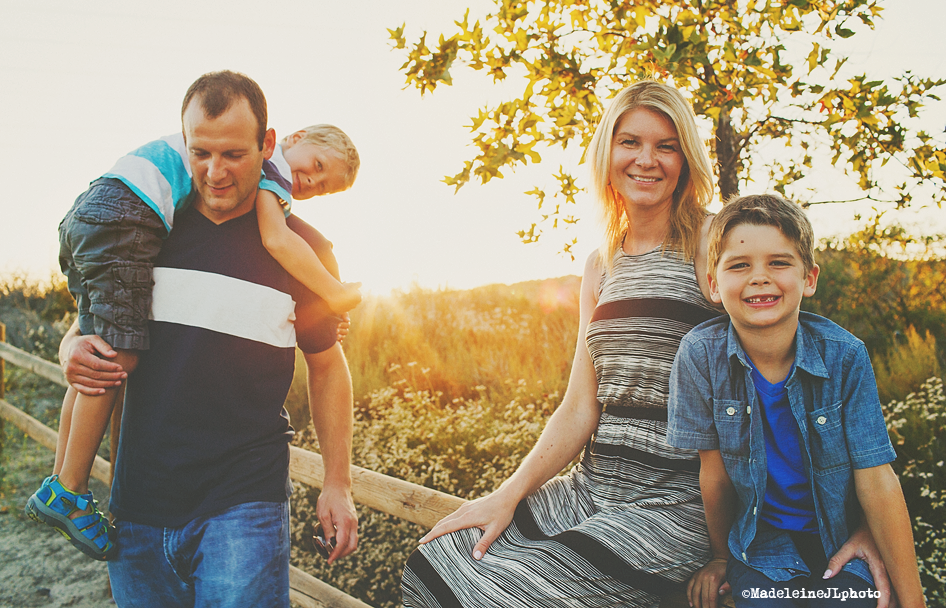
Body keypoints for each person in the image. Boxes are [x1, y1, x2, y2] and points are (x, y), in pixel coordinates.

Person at [401, 80, 892, 608]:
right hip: (593, 488)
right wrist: (506, 495)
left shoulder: (714, 242)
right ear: (607, 152)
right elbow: (579, 406)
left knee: (517, 594)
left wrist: (856, 523)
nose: (646, 160)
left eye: (666, 145)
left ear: (686, 158)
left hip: (681, 501)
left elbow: (800, 375)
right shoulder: (599, 265)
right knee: (435, 563)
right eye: (630, 142)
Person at [55, 70, 359, 606]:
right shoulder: (148, 226)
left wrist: (338, 481)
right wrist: (68, 352)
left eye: (235, 156)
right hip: (138, 503)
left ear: (266, 145)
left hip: (244, 503)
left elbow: (329, 366)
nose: (215, 173)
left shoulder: (306, 253)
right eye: (201, 153)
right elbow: (85, 328)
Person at [667, 194, 925, 608]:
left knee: (849, 602)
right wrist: (719, 557)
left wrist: (914, 602)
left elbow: (876, 477)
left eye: (779, 262)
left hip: (839, 536)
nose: (759, 277)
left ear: (809, 277)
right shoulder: (700, 354)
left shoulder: (845, 355)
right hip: (760, 546)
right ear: (714, 284)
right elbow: (712, 474)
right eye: (739, 265)